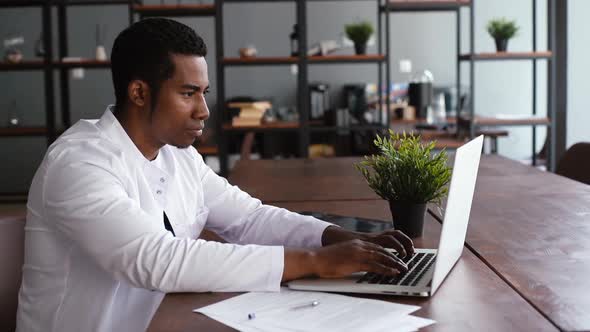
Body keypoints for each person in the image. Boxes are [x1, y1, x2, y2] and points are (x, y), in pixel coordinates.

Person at [16, 18, 414, 332]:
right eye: (188, 93)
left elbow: (248, 218)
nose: (204, 110)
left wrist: (339, 238)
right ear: (139, 93)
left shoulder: (178, 156)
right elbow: (153, 260)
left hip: (170, 320)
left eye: (203, 92)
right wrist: (316, 261)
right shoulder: (78, 162)